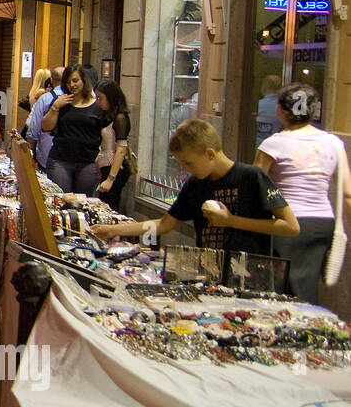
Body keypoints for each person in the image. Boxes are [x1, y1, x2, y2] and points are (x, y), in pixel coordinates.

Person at [94, 118, 299, 256]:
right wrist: (113, 229)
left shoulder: (252, 177)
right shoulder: (195, 184)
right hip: (209, 271)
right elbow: (164, 225)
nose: (185, 168)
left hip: (250, 275)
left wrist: (231, 221)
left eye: (189, 163)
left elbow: (291, 227)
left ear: (210, 153)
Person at [254, 83, 351, 303]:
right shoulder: (334, 143)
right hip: (322, 223)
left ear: (280, 110)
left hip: (286, 223)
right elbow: (347, 194)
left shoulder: (273, 144)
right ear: (314, 110)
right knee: (306, 286)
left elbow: (256, 187)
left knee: (281, 289)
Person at [41, 64, 105, 194]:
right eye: (68, 82)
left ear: (84, 81)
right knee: (60, 201)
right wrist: (55, 107)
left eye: (75, 80)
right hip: (61, 161)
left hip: (88, 162)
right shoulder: (60, 102)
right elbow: (46, 126)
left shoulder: (96, 106)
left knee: (82, 204)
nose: (72, 85)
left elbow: (105, 134)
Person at [93, 79, 132, 209]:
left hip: (114, 169)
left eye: (100, 98)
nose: (98, 102)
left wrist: (111, 178)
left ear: (111, 97)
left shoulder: (120, 118)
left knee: (109, 206)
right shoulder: (109, 115)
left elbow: (120, 150)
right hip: (106, 166)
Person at [25, 67, 65, 167]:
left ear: (51, 79)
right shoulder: (75, 98)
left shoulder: (45, 98)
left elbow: (34, 127)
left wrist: (29, 153)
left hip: (46, 151)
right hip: (69, 154)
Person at [256, 75, 282, 146]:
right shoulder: (284, 108)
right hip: (277, 148)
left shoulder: (258, 105)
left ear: (264, 88)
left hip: (259, 147)